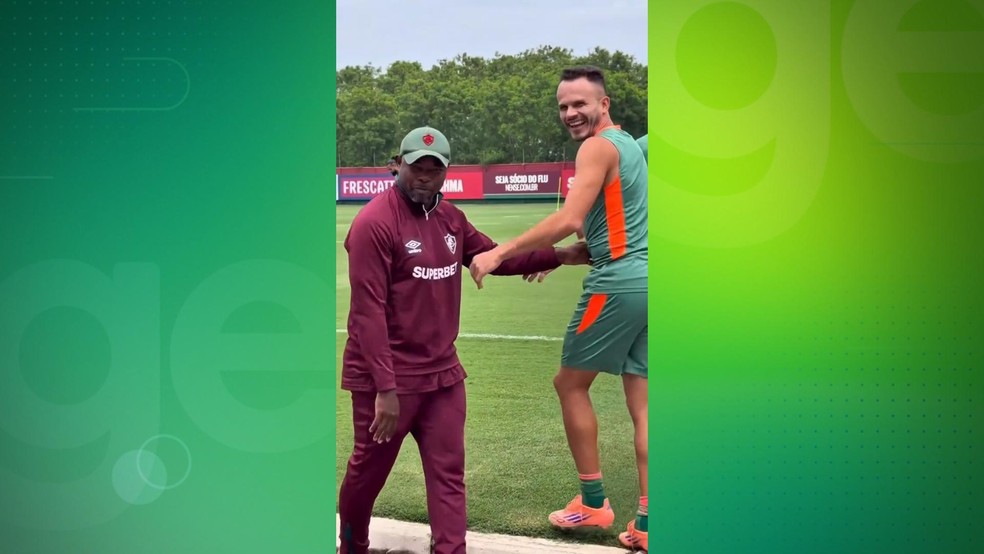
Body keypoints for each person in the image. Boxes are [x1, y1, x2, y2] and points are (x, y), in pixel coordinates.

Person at [337, 126, 591, 554]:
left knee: (448, 472)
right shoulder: (373, 224)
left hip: (441, 377)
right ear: (398, 165)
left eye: (435, 170)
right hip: (387, 381)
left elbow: (493, 256)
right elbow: (367, 314)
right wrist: (385, 389)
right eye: (417, 167)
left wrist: (562, 255)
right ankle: (352, 545)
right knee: (367, 473)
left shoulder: (450, 218)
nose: (425, 177)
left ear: (446, 173)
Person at [469, 66, 649, 551]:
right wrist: (564, 256)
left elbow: (570, 218)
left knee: (569, 383)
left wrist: (498, 251)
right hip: (654, 283)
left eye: (580, 104)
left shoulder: (596, 147)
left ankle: (593, 502)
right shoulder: (633, 145)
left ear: (604, 103)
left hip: (617, 285)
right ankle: (650, 525)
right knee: (645, 402)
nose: (570, 114)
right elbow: (603, 228)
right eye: (563, 106)